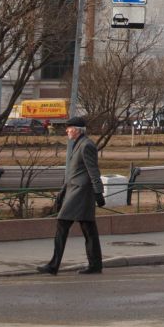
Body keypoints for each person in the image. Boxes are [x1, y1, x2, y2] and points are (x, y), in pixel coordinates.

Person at [36, 115, 104, 275]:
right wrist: (62, 192)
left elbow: (93, 170)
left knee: (62, 224)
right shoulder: (79, 144)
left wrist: (99, 192)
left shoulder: (86, 145)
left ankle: (53, 265)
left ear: (76, 130)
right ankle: (95, 265)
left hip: (80, 193)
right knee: (89, 230)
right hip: (76, 192)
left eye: (69, 128)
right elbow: (75, 172)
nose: (66, 130)